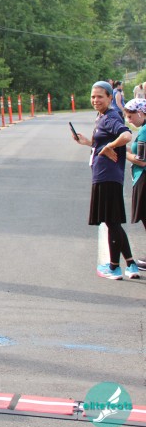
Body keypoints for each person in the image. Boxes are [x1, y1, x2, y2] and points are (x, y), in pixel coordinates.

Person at [72, 81, 137, 279]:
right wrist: (89, 143)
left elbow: (126, 135)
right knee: (112, 222)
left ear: (110, 97)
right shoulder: (101, 117)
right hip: (104, 175)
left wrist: (110, 146)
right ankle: (128, 265)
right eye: (93, 96)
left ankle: (117, 267)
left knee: (112, 222)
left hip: (108, 176)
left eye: (100, 96)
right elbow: (102, 144)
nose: (95, 100)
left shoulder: (110, 117)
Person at [124, 98, 146, 273]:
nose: (128, 120)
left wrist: (122, 153)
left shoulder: (144, 130)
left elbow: (142, 160)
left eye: (130, 116)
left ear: (140, 113)